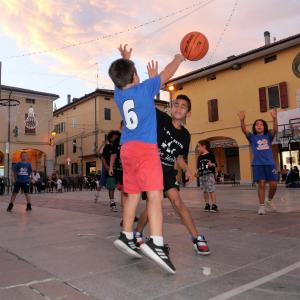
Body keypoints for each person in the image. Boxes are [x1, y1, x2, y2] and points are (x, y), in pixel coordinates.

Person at [108, 44, 184, 274]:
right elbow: (167, 74)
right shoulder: (144, 89)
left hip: (126, 149)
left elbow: (124, 78)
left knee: (132, 194)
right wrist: (178, 58)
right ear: (134, 75)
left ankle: (127, 234)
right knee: (154, 194)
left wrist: (125, 59)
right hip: (145, 149)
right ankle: (157, 243)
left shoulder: (119, 94)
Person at [135, 95, 210, 256]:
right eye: (176, 104)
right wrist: (154, 83)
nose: (178, 108)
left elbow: (179, 157)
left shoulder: (185, 135)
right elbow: (147, 102)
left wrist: (187, 169)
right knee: (153, 205)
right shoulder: (162, 119)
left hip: (168, 171)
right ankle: (138, 233)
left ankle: (197, 238)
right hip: (152, 168)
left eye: (183, 106)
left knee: (178, 202)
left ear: (188, 113)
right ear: (171, 107)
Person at [238, 109, 278, 215]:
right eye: (257, 124)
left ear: (264, 127)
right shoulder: (252, 137)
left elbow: (275, 130)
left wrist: (274, 118)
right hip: (258, 164)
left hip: (270, 163)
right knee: (261, 183)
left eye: (261, 124)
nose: (259, 125)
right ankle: (261, 206)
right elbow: (244, 130)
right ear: (254, 127)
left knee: (274, 184)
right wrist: (242, 120)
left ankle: (269, 200)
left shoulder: (268, 136)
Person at [196, 140, 218, 212]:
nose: (198, 148)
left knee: (211, 190)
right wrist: (197, 172)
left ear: (204, 146)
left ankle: (214, 205)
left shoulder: (210, 154)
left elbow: (215, 164)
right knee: (205, 190)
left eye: (199, 146)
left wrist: (211, 164)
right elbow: (198, 167)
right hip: (202, 175)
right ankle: (207, 204)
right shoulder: (199, 157)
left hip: (209, 175)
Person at [102, 130, 120, 211]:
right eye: (114, 137)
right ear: (110, 138)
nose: (116, 138)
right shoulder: (107, 147)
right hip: (111, 169)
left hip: (120, 170)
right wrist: (107, 166)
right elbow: (103, 158)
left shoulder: (120, 146)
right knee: (111, 187)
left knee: (124, 188)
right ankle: (112, 203)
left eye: (117, 137)